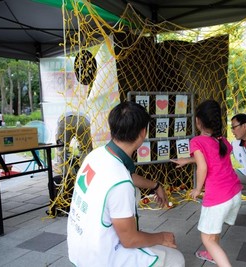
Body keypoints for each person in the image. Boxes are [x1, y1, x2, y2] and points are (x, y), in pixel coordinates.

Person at [67, 101, 185, 267]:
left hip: (79, 248)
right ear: (143, 132)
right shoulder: (120, 182)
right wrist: (161, 237)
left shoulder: (96, 155)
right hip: (100, 259)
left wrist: (155, 185)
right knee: (176, 259)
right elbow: (129, 240)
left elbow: (126, 176)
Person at [172, 100, 242, 266]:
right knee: (214, 229)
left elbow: (203, 167)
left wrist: (197, 189)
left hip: (218, 198)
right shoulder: (222, 140)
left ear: (198, 121)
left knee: (206, 237)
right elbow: (214, 160)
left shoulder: (197, 141)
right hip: (234, 192)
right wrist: (188, 160)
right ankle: (211, 254)